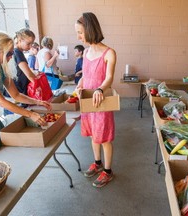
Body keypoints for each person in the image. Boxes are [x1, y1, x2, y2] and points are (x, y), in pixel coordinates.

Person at [75, 12, 117, 188]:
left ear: (90, 30)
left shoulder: (109, 53)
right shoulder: (85, 52)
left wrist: (99, 89)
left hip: (101, 101)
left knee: (105, 137)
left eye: (80, 32)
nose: (78, 36)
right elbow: (85, 74)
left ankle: (108, 171)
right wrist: (79, 85)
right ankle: (97, 163)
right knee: (93, 133)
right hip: (89, 103)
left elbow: (109, 78)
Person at [12, 28, 37, 96]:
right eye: (28, 43)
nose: (30, 46)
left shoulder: (17, 52)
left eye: (32, 43)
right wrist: (39, 86)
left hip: (19, 89)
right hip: (19, 90)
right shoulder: (18, 53)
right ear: (20, 40)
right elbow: (29, 74)